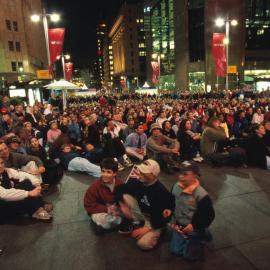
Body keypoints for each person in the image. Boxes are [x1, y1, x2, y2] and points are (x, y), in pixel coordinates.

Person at [115, 159, 175, 250]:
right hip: (143, 212)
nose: (140, 173)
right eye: (140, 170)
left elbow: (164, 217)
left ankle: (160, 231)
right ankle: (138, 222)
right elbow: (120, 189)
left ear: (153, 175)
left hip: (155, 220)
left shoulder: (162, 192)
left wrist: (148, 228)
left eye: (144, 172)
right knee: (124, 196)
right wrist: (122, 205)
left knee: (143, 244)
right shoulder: (138, 181)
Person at [170, 161, 215, 261]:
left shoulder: (201, 195)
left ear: (195, 175)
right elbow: (171, 205)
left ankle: (202, 233)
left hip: (193, 226)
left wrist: (194, 225)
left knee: (189, 256)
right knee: (175, 251)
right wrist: (173, 222)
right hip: (179, 226)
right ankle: (189, 236)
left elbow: (209, 215)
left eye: (185, 174)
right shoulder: (175, 187)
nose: (180, 177)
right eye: (180, 173)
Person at [0, 157, 52, 222]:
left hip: (10, 200)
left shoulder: (7, 171)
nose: (0, 166)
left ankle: (39, 207)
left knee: (26, 182)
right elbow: (4, 194)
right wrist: (28, 193)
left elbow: (22, 175)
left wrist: (37, 183)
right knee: (23, 187)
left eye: (1, 163)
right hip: (2, 208)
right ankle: (37, 209)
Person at [84, 158, 123, 234]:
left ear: (115, 173)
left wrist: (119, 207)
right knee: (105, 219)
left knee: (127, 213)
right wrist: (107, 209)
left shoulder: (120, 184)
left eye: (109, 172)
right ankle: (118, 224)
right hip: (100, 211)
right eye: (103, 171)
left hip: (115, 209)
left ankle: (107, 226)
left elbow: (123, 200)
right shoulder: (94, 187)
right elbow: (88, 205)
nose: (105, 174)